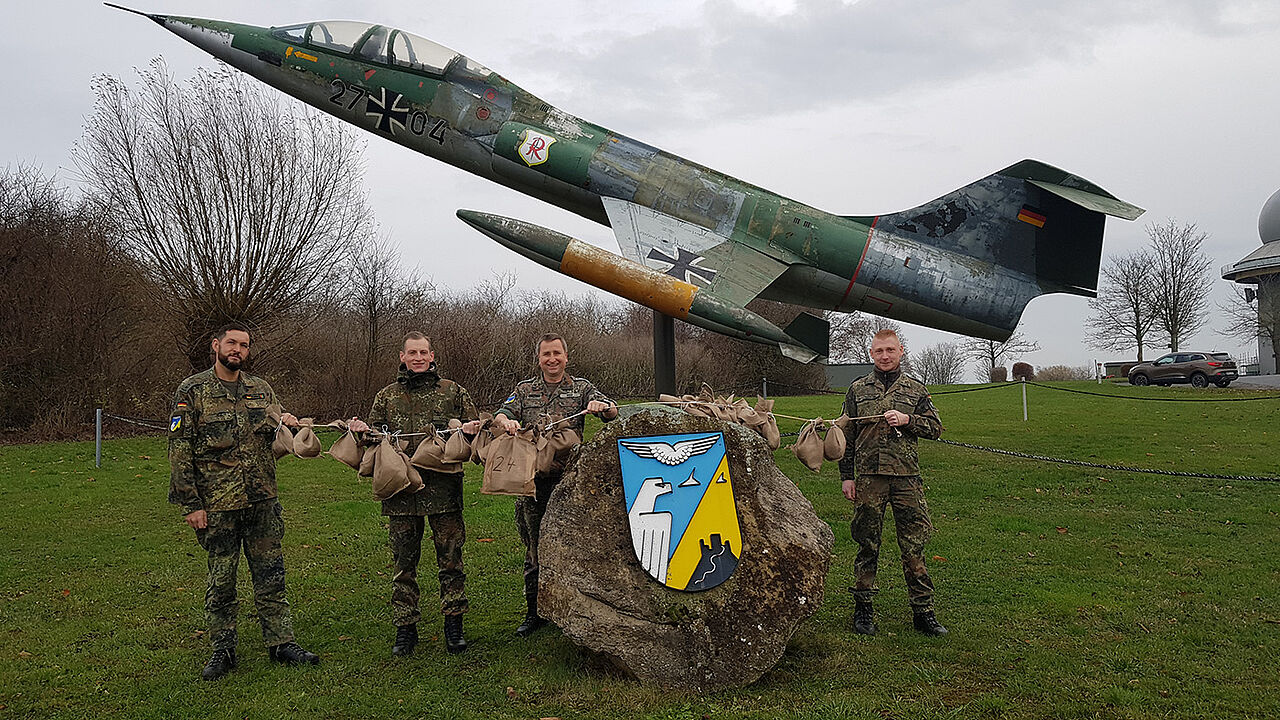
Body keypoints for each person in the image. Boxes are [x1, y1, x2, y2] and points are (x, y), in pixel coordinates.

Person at [168, 322, 320, 681]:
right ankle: (223, 648)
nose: (237, 350)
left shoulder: (260, 389)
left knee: (271, 575)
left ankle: (281, 642)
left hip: (262, 499)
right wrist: (191, 504)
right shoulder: (193, 390)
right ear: (216, 345)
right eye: (232, 343)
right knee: (222, 579)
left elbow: (276, 430)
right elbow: (179, 449)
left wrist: (289, 423)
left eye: (244, 345)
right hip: (217, 502)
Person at [348, 333, 480, 656]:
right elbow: (372, 438)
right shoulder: (387, 397)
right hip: (401, 494)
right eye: (412, 352)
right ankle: (405, 627)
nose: (418, 357)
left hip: (444, 493)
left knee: (451, 560)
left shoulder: (453, 392)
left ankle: (454, 622)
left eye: (423, 352)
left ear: (432, 355)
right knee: (403, 564)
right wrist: (361, 431)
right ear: (403, 357)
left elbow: (476, 428)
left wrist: (474, 428)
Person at [493, 333, 617, 636]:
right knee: (535, 550)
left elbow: (612, 411)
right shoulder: (525, 390)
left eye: (557, 354)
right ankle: (534, 612)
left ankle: (574, 611)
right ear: (539, 359)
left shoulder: (581, 388)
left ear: (566, 357)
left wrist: (603, 407)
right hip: (533, 484)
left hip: (571, 485)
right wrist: (505, 421)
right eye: (546, 354)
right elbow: (502, 413)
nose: (552, 359)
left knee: (574, 547)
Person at [838, 328, 948, 637]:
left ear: (901, 351)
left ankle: (923, 611)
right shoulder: (858, 389)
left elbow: (936, 428)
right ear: (871, 354)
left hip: (906, 480)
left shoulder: (915, 389)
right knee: (867, 544)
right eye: (879, 351)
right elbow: (844, 436)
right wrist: (847, 476)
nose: (885, 356)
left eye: (890, 350)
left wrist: (907, 420)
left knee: (914, 545)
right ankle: (863, 610)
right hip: (868, 479)